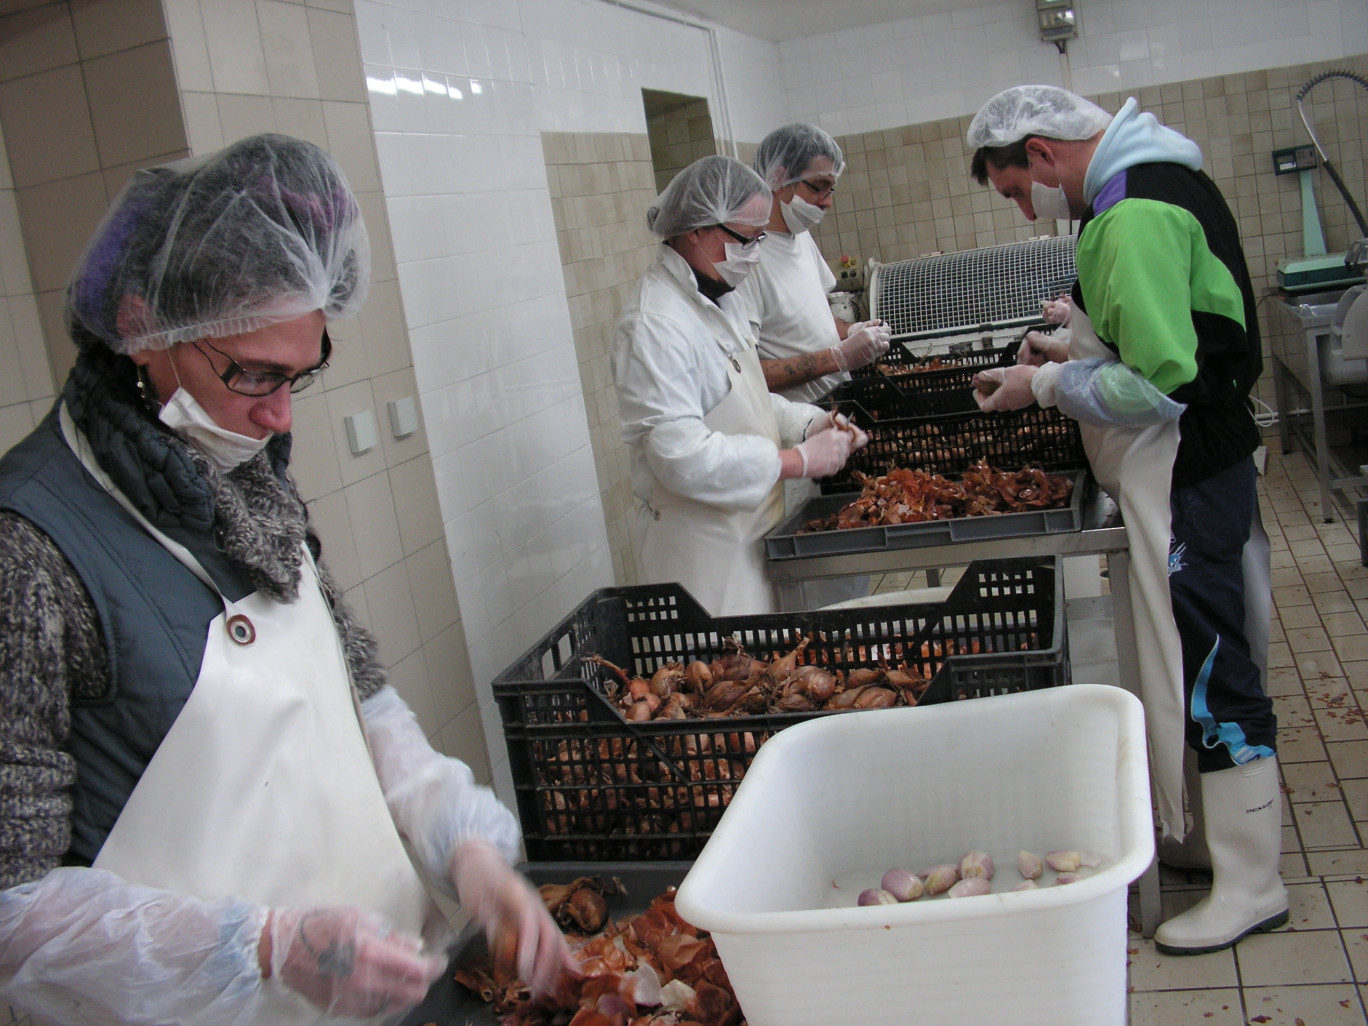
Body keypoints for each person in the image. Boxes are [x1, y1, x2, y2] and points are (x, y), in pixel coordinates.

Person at [0, 134, 573, 1025]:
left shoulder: (244, 481)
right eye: (253, 375)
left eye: (301, 375)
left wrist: (465, 848)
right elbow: (13, 910)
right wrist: (259, 949)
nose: (278, 415)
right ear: (144, 325)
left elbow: (360, 707)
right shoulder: (26, 549)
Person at [965, 86, 1284, 956]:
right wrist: (1070, 348)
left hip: (1185, 471)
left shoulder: (1133, 210)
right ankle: (1213, 842)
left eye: (1015, 191)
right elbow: (1165, 332)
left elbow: (1161, 383)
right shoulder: (1147, 180)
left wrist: (1047, 384)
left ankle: (1255, 883)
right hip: (1193, 467)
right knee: (1196, 653)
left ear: (1039, 152)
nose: (1028, 210)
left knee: (1211, 663)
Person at [613, 154, 867, 616]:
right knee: (726, 674)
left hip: (754, 530)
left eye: (759, 239)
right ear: (695, 229)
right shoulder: (655, 324)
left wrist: (808, 423)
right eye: (745, 240)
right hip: (705, 556)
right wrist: (793, 461)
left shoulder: (719, 298)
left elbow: (744, 398)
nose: (753, 254)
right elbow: (678, 456)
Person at [738, 123, 892, 404]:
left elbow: (814, 317)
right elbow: (748, 374)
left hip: (836, 403)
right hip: (798, 423)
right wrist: (837, 358)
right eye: (820, 187)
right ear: (778, 178)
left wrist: (852, 332)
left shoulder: (800, 236)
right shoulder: (745, 260)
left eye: (831, 190)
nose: (827, 202)